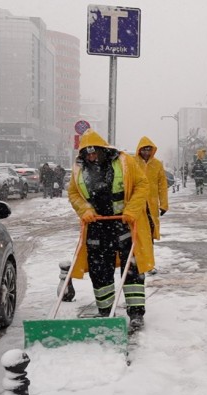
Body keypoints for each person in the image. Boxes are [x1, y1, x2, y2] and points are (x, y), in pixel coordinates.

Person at [67, 129, 154, 331]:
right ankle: (105, 311)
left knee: (131, 269)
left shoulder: (124, 162)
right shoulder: (79, 169)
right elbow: (73, 193)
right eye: (87, 154)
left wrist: (131, 210)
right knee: (99, 269)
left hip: (123, 224)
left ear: (103, 150)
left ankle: (136, 313)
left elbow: (142, 185)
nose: (91, 157)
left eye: (94, 153)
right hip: (96, 227)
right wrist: (84, 209)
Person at [134, 136, 169, 242]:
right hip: (136, 202)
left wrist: (164, 205)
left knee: (150, 228)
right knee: (136, 229)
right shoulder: (133, 162)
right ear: (139, 149)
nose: (146, 152)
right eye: (144, 149)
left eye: (148, 150)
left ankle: (148, 250)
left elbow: (162, 185)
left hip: (151, 203)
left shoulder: (157, 164)